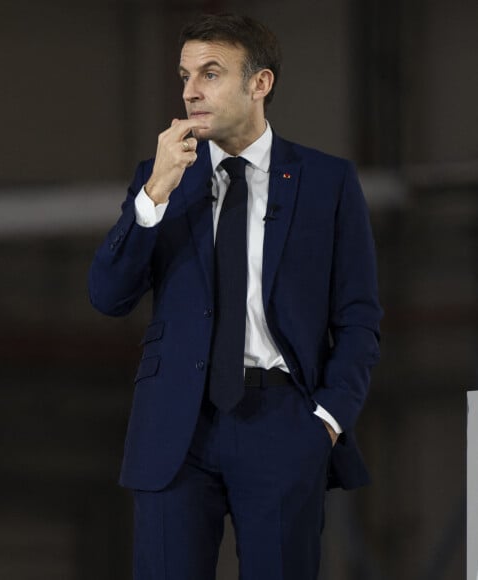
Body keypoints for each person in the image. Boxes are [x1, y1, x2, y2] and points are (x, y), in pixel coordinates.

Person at [88, 12, 382, 580]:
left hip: (283, 423)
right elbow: (107, 295)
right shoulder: (162, 176)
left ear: (259, 83)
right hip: (175, 422)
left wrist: (325, 418)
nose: (190, 90)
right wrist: (154, 194)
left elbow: (360, 317)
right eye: (184, 75)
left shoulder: (327, 182)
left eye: (211, 73)